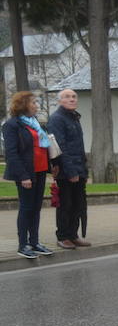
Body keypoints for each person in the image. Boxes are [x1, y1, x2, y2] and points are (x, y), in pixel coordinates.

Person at [2, 91, 56, 258]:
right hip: (25, 173)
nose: (36, 105)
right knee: (26, 208)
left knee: (36, 208)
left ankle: (35, 242)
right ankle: (22, 245)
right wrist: (23, 176)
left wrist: (52, 165)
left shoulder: (35, 123)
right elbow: (12, 153)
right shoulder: (12, 125)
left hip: (39, 171)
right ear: (23, 104)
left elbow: (44, 146)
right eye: (33, 102)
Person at [48, 88, 90, 249]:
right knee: (66, 204)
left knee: (78, 204)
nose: (71, 99)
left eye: (74, 96)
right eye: (67, 97)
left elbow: (78, 147)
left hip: (78, 167)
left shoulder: (74, 118)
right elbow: (61, 147)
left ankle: (73, 234)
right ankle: (63, 236)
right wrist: (71, 171)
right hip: (66, 171)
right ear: (60, 101)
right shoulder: (57, 119)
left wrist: (83, 170)